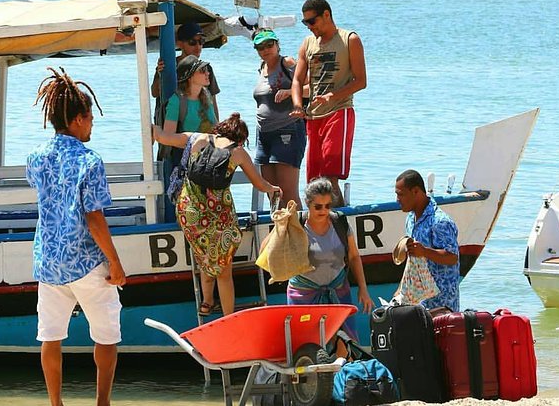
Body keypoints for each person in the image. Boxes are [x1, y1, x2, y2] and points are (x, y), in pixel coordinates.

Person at [26, 67, 126, 406]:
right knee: (107, 335)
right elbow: (94, 218)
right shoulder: (90, 160)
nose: (92, 125)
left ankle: (56, 403)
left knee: (51, 337)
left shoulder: (35, 157)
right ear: (79, 120)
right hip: (84, 261)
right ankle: (102, 402)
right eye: (90, 119)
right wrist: (115, 262)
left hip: (48, 261)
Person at [153, 113, 281, 316]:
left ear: (219, 129)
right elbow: (260, 183)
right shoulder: (237, 152)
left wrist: (154, 128)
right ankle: (228, 318)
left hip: (189, 213)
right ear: (240, 139)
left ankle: (207, 302)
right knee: (223, 270)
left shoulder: (198, 138)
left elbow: (162, 137)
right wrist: (274, 189)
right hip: (217, 217)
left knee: (204, 255)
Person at [290, 0, 367, 207]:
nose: (309, 27)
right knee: (315, 184)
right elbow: (297, 80)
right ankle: (320, 233)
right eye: (305, 23)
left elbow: (361, 81)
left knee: (330, 180)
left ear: (326, 15)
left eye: (312, 21)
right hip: (314, 118)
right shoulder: (307, 44)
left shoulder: (349, 39)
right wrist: (298, 105)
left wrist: (333, 96)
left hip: (338, 112)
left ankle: (343, 230)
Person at [282, 177, 374, 340]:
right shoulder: (296, 224)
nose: (324, 211)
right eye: (318, 207)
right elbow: (267, 253)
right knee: (306, 345)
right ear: (307, 203)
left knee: (346, 343)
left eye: (328, 206)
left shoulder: (340, 222)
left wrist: (363, 288)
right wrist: (280, 225)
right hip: (303, 297)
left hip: (338, 293)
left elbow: (353, 256)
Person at [252, 28, 307, 208]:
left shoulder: (287, 63)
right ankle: (281, 232)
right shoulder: (261, 68)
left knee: (288, 193)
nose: (266, 49)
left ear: (277, 44)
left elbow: (312, 87)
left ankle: (299, 234)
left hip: (287, 129)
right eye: (260, 47)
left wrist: (290, 91)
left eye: (270, 45)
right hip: (263, 134)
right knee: (273, 193)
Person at [394, 169, 460, 312]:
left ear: (416, 191)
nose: (397, 200)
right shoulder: (410, 219)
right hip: (419, 302)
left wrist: (424, 251)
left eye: (401, 194)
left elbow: (452, 257)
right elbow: (413, 262)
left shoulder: (440, 222)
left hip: (442, 304)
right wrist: (400, 290)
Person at [152, 22, 221, 146]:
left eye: (201, 41)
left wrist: (218, 130)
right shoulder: (168, 65)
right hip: (171, 125)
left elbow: (213, 103)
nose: (198, 46)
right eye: (192, 42)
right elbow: (155, 92)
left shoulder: (206, 69)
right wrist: (160, 73)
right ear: (180, 44)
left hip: (200, 129)